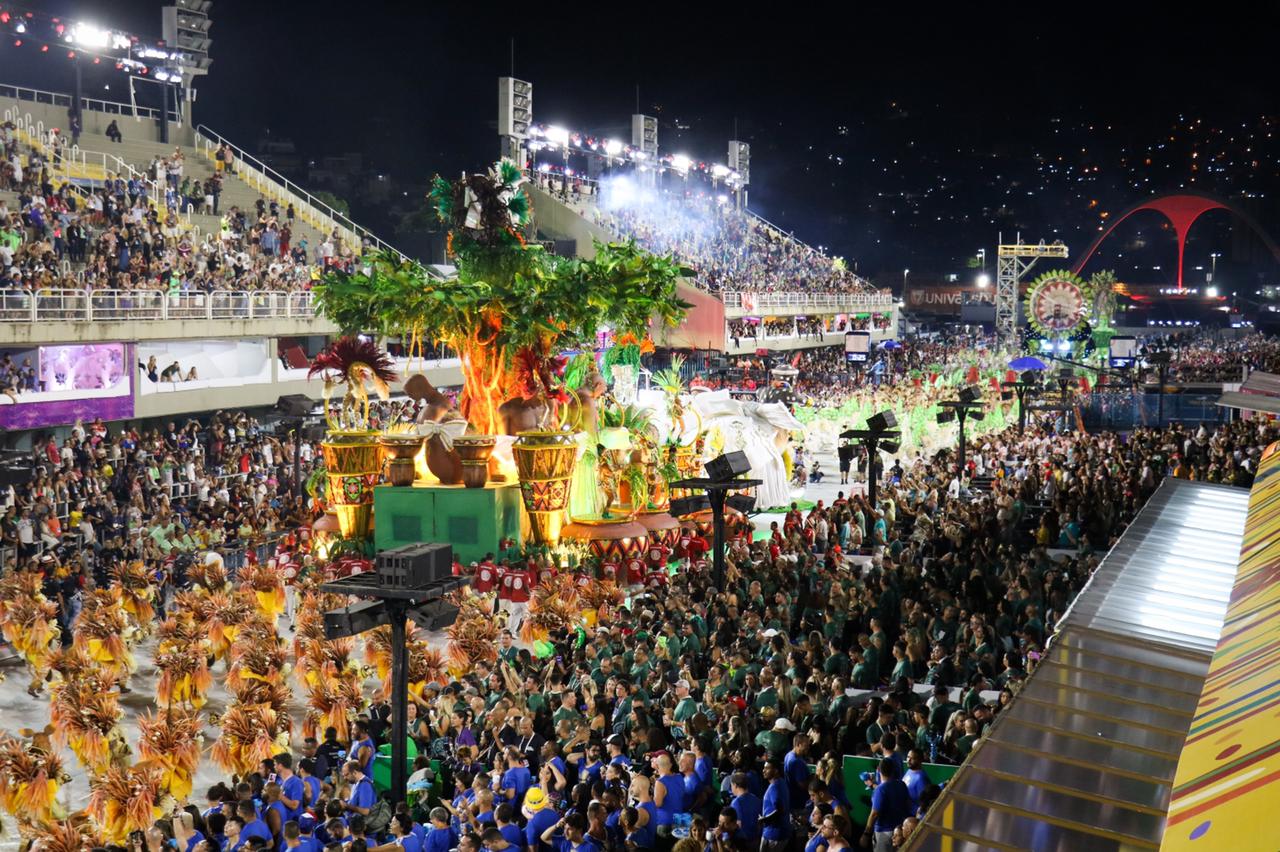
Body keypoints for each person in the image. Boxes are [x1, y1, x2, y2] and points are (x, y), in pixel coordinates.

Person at [862, 758, 910, 852]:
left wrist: (866, 834)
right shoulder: (901, 784)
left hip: (884, 834)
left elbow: (874, 814)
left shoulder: (880, 790)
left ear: (878, 770)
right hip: (900, 831)